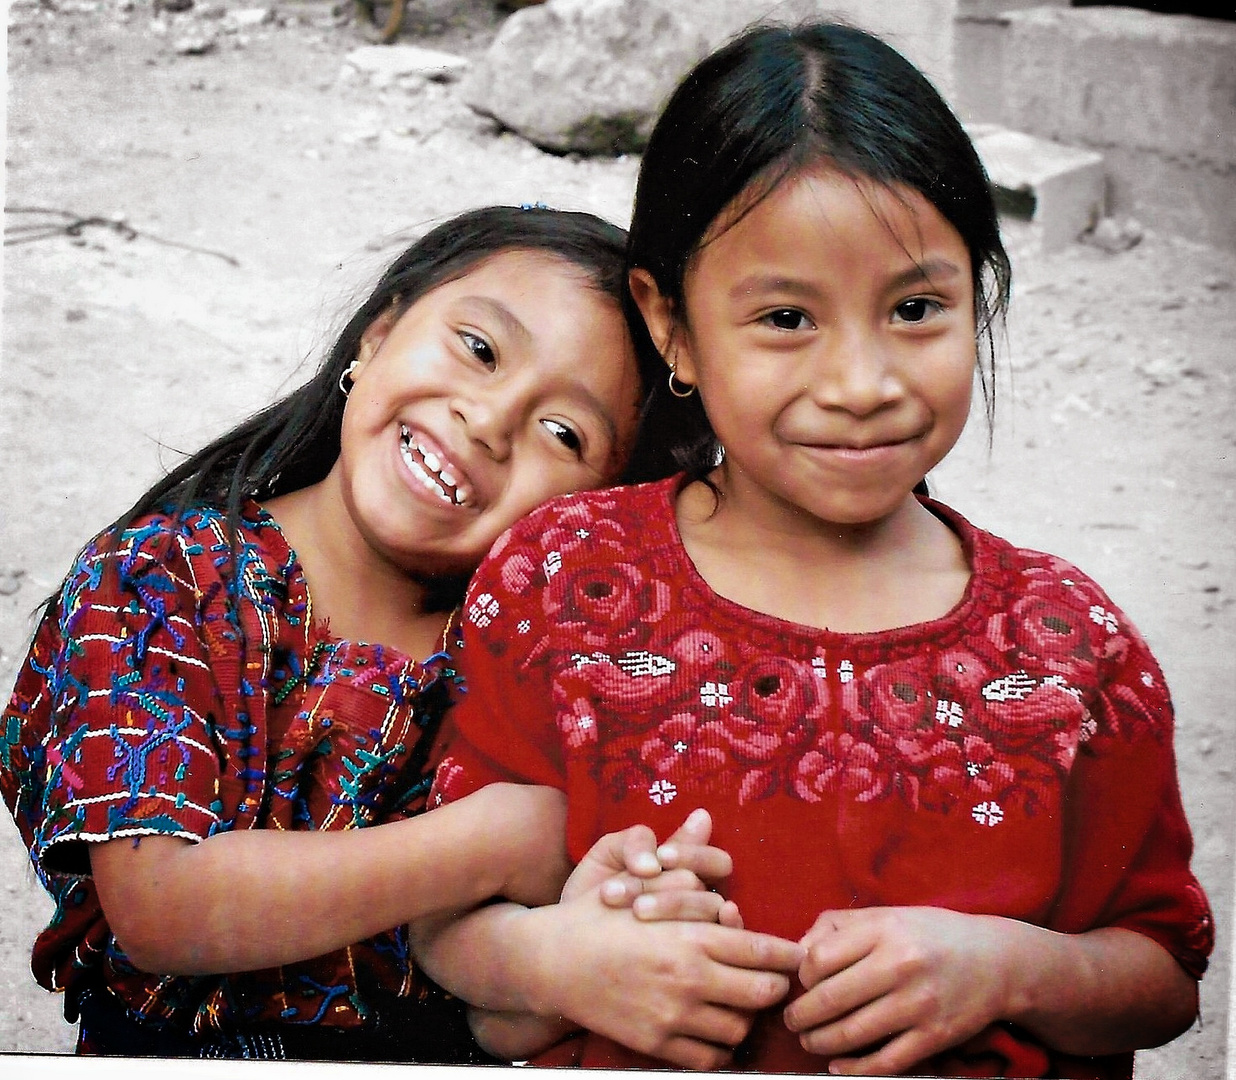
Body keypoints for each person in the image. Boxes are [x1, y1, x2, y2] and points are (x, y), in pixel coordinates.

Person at [422, 25, 1215, 1078]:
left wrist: (1012, 970)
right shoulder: (563, 582)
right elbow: (448, 932)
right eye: (788, 316)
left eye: (917, 309)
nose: (862, 381)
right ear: (673, 327)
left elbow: (1161, 974)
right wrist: (558, 964)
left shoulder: (1070, 645)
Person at [0, 204, 802, 1062]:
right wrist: (496, 839)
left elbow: (493, 1017)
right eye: (481, 349)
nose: (489, 421)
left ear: (596, 515)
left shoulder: (530, 673)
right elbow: (162, 907)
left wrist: (573, 964)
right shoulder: (164, 579)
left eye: (563, 433)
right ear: (377, 335)